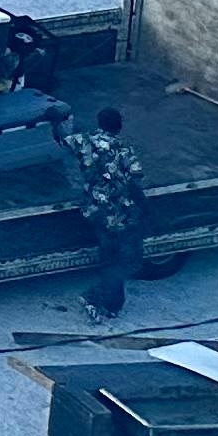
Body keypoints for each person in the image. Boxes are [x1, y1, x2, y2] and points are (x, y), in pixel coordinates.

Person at [71, 105, 148, 321]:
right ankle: (103, 300)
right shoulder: (123, 150)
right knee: (125, 261)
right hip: (119, 214)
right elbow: (134, 181)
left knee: (109, 257)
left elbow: (62, 139)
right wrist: (145, 208)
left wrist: (55, 121)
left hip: (94, 210)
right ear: (119, 125)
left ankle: (106, 301)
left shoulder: (85, 140)